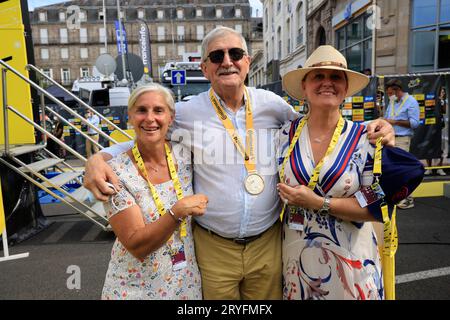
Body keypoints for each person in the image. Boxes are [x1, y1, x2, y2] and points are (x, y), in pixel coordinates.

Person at [84, 27, 395, 300]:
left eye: (235, 53)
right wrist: (99, 158)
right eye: (217, 56)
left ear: (247, 61)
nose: (227, 61)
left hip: (268, 244)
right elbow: (150, 131)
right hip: (214, 247)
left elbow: (320, 122)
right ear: (205, 68)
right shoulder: (187, 112)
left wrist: (375, 127)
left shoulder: (272, 105)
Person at [278, 45, 388, 300]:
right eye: (318, 76)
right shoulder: (283, 134)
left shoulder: (366, 138)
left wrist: (319, 203)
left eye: (336, 77)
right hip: (297, 263)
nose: (327, 83)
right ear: (304, 87)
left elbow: (375, 205)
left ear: (346, 88)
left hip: (352, 267)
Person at [101, 83, 208, 300]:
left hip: (185, 284)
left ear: (171, 117)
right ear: (130, 116)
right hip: (134, 288)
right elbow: (136, 244)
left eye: (158, 110)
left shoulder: (185, 155)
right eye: (141, 110)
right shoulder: (115, 173)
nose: (150, 118)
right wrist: (177, 211)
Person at [383, 79, 420, 209]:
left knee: (403, 169)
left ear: (397, 90)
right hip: (390, 138)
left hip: (402, 139)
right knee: (392, 169)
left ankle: (408, 199)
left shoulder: (411, 102)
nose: (389, 96)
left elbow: (415, 123)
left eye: (390, 93)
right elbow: (388, 117)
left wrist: (395, 122)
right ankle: (397, 197)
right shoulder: (393, 101)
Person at [425, 86, 447, 176]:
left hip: (440, 128)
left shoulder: (442, 101)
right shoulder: (431, 100)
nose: (443, 93)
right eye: (442, 92)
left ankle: (439, 167)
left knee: (441, 148)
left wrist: (442, 101)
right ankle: (429, 168)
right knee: (429, 147)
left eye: (444, 92)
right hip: (430, 127)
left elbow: (444, 111)